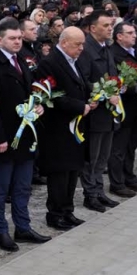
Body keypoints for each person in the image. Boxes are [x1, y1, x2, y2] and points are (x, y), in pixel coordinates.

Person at [0, 17, 51, 252]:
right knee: (1, 186)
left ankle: (23, 226)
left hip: (26, 133)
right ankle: (1, 231)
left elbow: (29, 90)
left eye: (20, 37)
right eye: (12, 38)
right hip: (5, 136)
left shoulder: (21, 59)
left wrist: (38, 105)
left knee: (22, 185)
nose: (18, 41)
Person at [36, 27, 92, 230]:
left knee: (72, 171)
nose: (81, 48)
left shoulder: (75, 61)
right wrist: (80, 106)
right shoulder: (49, 63)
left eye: (83, 44)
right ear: (65, 42)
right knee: (59, 173)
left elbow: (80, 86)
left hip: (75, 127)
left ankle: (68, 211)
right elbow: (52, 96)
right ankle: (55, 213)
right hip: (57, 129)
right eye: (78, 44)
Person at [77, 10, 121, 212]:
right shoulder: (86, 50)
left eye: (111, 25)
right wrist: (104, 94)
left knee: (103, 156)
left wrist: (120, 87)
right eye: (105, 25)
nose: (110, 28)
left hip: (109, 113)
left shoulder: (106, 48)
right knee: (92, 158)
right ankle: (90, 194)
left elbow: (111, 75)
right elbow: (84, 81)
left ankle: (99, 192)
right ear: (93, 28)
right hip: (95, 113)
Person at [108, 22, 137, 197]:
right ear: (119, 36)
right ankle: (117, 183)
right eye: (130, 32)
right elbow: (116, 80)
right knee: (119, 147)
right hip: (124, 106)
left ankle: (129, 178)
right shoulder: (114, 54)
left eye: (134, 32)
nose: (134, 35)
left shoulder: (134, 51)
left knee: (131, 146)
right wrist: (134, 88)